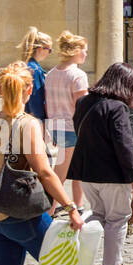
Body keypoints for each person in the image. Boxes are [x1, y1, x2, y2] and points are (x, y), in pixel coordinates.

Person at [0, 62, 85, 265]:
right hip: (23, 213)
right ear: (29, 91)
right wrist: (70, 206)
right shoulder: (29, 124)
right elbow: (44, 172)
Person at [68, 62, 133, 265]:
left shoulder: (83, 102)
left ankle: (79, 259)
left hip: (87, 172)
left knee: (97, 215)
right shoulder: (117, 107)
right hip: (112, 174)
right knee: (118, 218)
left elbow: (78, 129)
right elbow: (124, 144)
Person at [45, 30, 90, 202]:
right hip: (72, 127)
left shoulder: (51, 73)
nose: (86, 53)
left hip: (56, 126)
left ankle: (77, 205)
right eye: (84, 50)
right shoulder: (78, 75)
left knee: (77, 168)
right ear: (76, 51)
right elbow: (81, 106)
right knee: (60, 174)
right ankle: (49, 211)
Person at [19, 27, 53, 125]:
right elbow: (35, 100)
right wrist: (41, 122)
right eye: (49, 50)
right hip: (32, 120)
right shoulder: (35, 70)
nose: (49, 53)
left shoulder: (25, 66)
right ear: (40, 49)